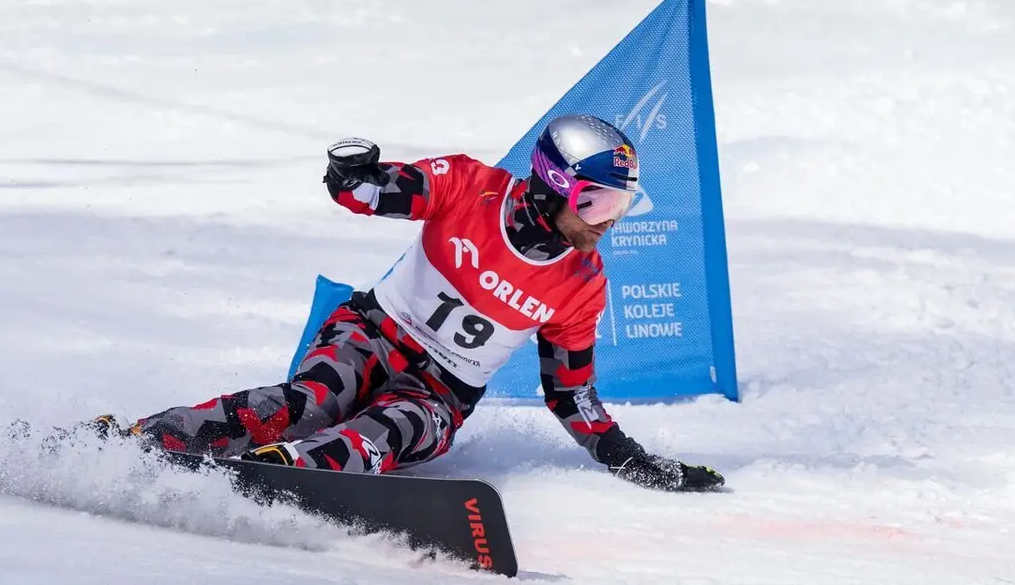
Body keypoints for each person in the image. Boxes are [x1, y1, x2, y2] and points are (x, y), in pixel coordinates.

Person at [97, 114, 724, 492]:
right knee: (311, 402)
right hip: (371, 336)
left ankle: (285, 469)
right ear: (554, 185)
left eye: (620, 205)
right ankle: (134, 441)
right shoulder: (471, 188)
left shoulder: (582, 284)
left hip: (440, 395)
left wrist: (628, 458)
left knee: (389, 429)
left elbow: (571, 394)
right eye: (596, 201)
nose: (607, 220)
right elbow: (381, 192)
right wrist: (353, 178)